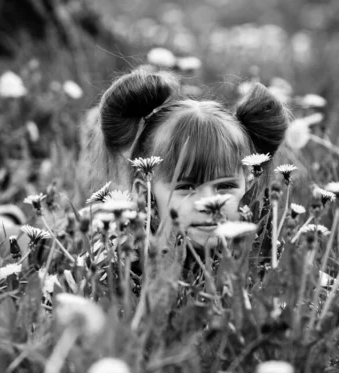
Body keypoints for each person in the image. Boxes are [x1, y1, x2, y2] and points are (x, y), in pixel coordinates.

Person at [84, 68, 288, 252]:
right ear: (145, 194)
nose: (207, 203)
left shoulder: (266, 259)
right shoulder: (117, 263)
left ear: (249, 187)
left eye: (225, 185)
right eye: (187, 187)